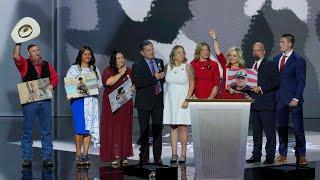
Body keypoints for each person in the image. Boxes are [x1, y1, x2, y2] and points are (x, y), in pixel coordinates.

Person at [13, 43, 59, 168]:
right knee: (27, 131)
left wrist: (52, 85)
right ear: (29, 53)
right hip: (30, 103)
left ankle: (47, 158)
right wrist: (18, 42)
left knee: (46, 131)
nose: (37, 52)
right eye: (34, 51)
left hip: (45, 102)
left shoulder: (46, 65)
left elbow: (55, 77)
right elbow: (16, 56)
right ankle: (27, 158)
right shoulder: (24, 64)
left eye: (38, 50)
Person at [273, 34, 308, 165]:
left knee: (298, 128)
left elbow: (301, 82)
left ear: (290, 44)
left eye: (282, 42)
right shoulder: (276, 59)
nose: (280, 44)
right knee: (281, 128)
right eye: (280, 42)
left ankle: (301, 155)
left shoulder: (298, 60)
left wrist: (296, 98)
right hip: (279, 100)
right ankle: (283, 154)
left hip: (293, 100)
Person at [66, 46, 102, 166]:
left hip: (91, 101)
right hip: (78, 102)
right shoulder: (74, 69)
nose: (87, 56)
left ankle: (86, 154)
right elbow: (69, 84)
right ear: (80, 55)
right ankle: (78, 154)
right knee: (79, 129)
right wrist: (70, 93)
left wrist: (94, 85)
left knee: (88, 130)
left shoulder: (94, 69)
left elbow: (100, 84)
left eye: (89, 54)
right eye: (85, 54)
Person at [246, 42, 280, 165]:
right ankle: (256, 155)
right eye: (254, 50)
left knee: (269, 133)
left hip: (266, 105)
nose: (256, 52)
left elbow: (276, 82)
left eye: (258, 50)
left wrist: (261, 88)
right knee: (256, 133)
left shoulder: (270, 64)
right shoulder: (251, 66)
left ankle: (270, 156)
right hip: (254, 104)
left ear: (264, 51)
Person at [132, 40, 165, 165]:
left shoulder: (159, 62)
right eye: (148, 50)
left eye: (152, 49)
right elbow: (138, 83)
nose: (151, 52)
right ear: (142, 52)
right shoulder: (138, 65)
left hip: (158, 101)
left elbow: (162, 79)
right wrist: (154, 78)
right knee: (144, 131)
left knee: (157, 131)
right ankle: (144, 156)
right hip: (144, 102)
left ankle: (157, 157)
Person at [100, 50, 135, 167]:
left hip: (125, 104)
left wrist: (133, 88)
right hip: (111, 105)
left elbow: (133, 84)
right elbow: (108, 82)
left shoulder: (129, 71)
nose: (121, 60)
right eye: (118, 58)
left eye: (122, 57)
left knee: (125, 129)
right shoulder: (108, 70)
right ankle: (112, 156)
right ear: (114, 60)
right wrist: (120, 73)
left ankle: (124, 154)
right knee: (112, 130)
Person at [163, 45, 195, 164]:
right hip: (171, 101)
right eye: (179, 53)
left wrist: (187, 99)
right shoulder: (167, 67)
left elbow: (192, 84)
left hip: (183, 100)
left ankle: (183, 154)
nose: (182, 55)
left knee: (183, 127)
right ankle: (174, 154)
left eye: (183, 52)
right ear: (174, 55)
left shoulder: (188, 67)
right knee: (173, 127)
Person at [209, 29, 246, 99]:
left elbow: (247, 90)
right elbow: (218, 52)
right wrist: (214, 38)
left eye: (234, 56)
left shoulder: (243, 69)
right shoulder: (226, 65)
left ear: (239, 57)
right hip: (224, 97)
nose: (232, 57)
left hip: (237, 99)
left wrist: (235, 91)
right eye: (230, 55)